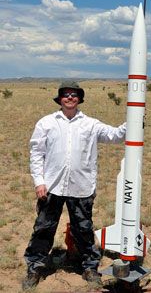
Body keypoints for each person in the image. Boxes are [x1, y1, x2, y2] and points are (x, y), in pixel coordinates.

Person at [22, 80, 126, 290]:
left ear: (79, 98)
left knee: (84, 229)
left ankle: (89, 268)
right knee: (43, 228)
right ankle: (34, 268)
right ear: (60, 98)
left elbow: (115, 136)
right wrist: (39, 181)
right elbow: (36, 153)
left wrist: (133, 119)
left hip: (81, 188)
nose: (70, 97)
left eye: (74, 94)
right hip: (51, 187)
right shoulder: (46, 122)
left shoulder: (90, 124)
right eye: (66, 94)